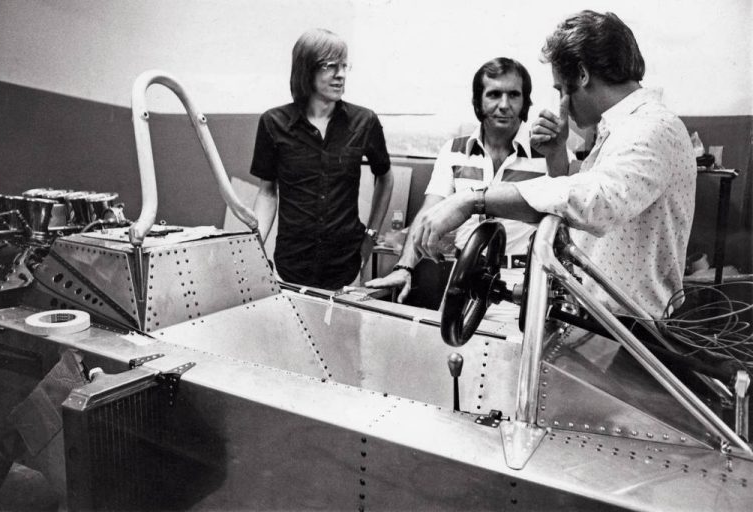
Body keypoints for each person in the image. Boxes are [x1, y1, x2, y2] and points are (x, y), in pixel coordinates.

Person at [412, 10, 695, 318]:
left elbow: (594, 203)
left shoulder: (652, 127)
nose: (561, 102)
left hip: (623, 325)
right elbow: (573, 207)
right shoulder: (623, 130)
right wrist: (557, 153)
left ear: (582, 74)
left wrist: (474, 200)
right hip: (601, 319)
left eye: (560, 89)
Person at [367, 57, 553, 303]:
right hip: (464, 279)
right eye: (494, 94)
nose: (504, 105)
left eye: (514, 95)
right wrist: (404, 267)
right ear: (478, 101)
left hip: (523, 283)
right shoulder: (454, 151)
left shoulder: (549, 154)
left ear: (525, 101)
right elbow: (429, 211)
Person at [251, 28, 393, 290]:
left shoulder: (364, 121)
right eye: (330, 66)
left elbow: (384, 177)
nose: (341, 74)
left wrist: (370, 237)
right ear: (306, 69)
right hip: (291, 264)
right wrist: (252, 248)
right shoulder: (273, 123)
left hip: (346, 266)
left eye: (344, 65)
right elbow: (267, 193)